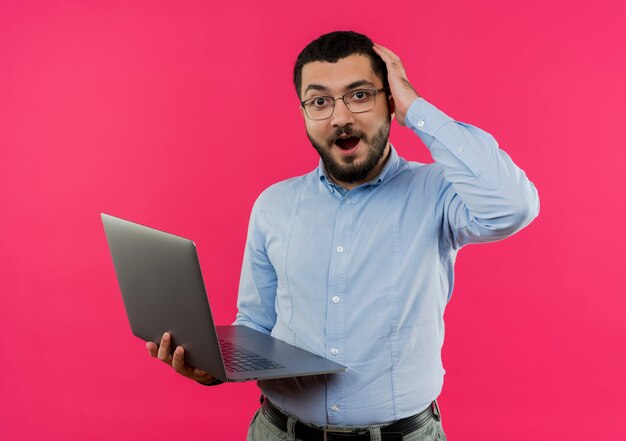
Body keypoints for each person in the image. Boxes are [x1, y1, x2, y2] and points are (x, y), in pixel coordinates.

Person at [147, 31, 540, 440]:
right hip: (278, 430)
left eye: (359, 96)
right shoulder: (273, 205)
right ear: (303, 112)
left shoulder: (438, 193)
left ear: (390, 101)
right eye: (320, 101)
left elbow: (513, 206)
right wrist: (215, 366)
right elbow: (256, 324)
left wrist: (416, 109)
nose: (340, 118)